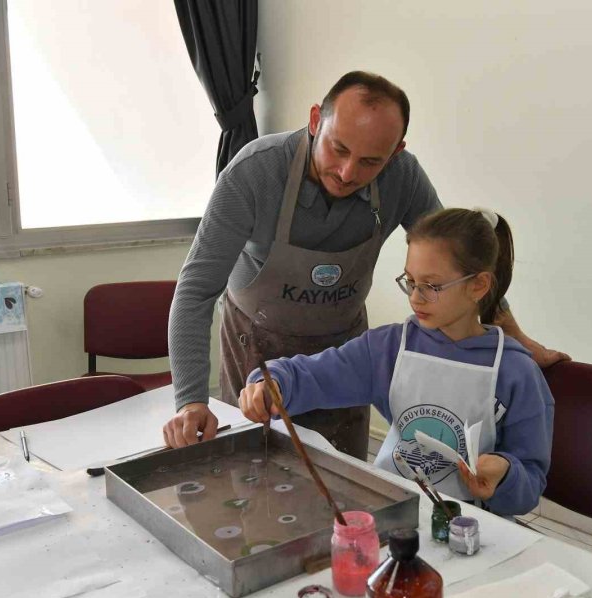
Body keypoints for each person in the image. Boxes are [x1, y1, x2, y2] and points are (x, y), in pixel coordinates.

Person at [163, 71, 567, 457]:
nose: (347, 172)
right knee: (255, 482)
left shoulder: (403, 178)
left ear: (396, 151)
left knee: (345, 490)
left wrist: (516, 337)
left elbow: (461, 259)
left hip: (347, 351)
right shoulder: (255, 173)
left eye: (371, 162)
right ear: (315, 119)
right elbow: (196, 290)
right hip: (257, 349)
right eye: (338, 149)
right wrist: (190, 401)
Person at [238, 208, 554, 517]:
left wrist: (505, 475)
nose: (415, 298)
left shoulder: (515, 371)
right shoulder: (389, 348)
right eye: (410, 281)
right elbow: (310, 375)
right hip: (397, 513)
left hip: (476, 528)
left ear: (478, 285)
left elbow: (529, 486)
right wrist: (271, 384)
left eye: (431, 286)